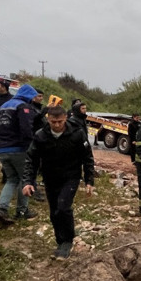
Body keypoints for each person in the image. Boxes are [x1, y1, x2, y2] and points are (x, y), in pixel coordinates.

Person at [22, 106, 95, 259]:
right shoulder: (41, 136)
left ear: (65, 118)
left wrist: (89, 180)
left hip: (71, 177)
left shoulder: (77, 134)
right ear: (48, 119)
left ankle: (68, 240)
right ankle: (60, 241)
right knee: (54, 211)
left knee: (63, 207)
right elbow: (31, 159)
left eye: (60, 121)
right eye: (53, 122)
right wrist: (28, 181)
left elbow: (87, 158)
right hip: (50, 177)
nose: (56, 125)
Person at [0, 84, 39, 224]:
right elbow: (26, 128)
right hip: (18, 149)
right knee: (24, 180)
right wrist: (32, 145)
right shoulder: (22, 107)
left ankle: (2, 208)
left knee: (12, 179)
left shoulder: (4, 106)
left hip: (2, 149)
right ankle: (22, 210)